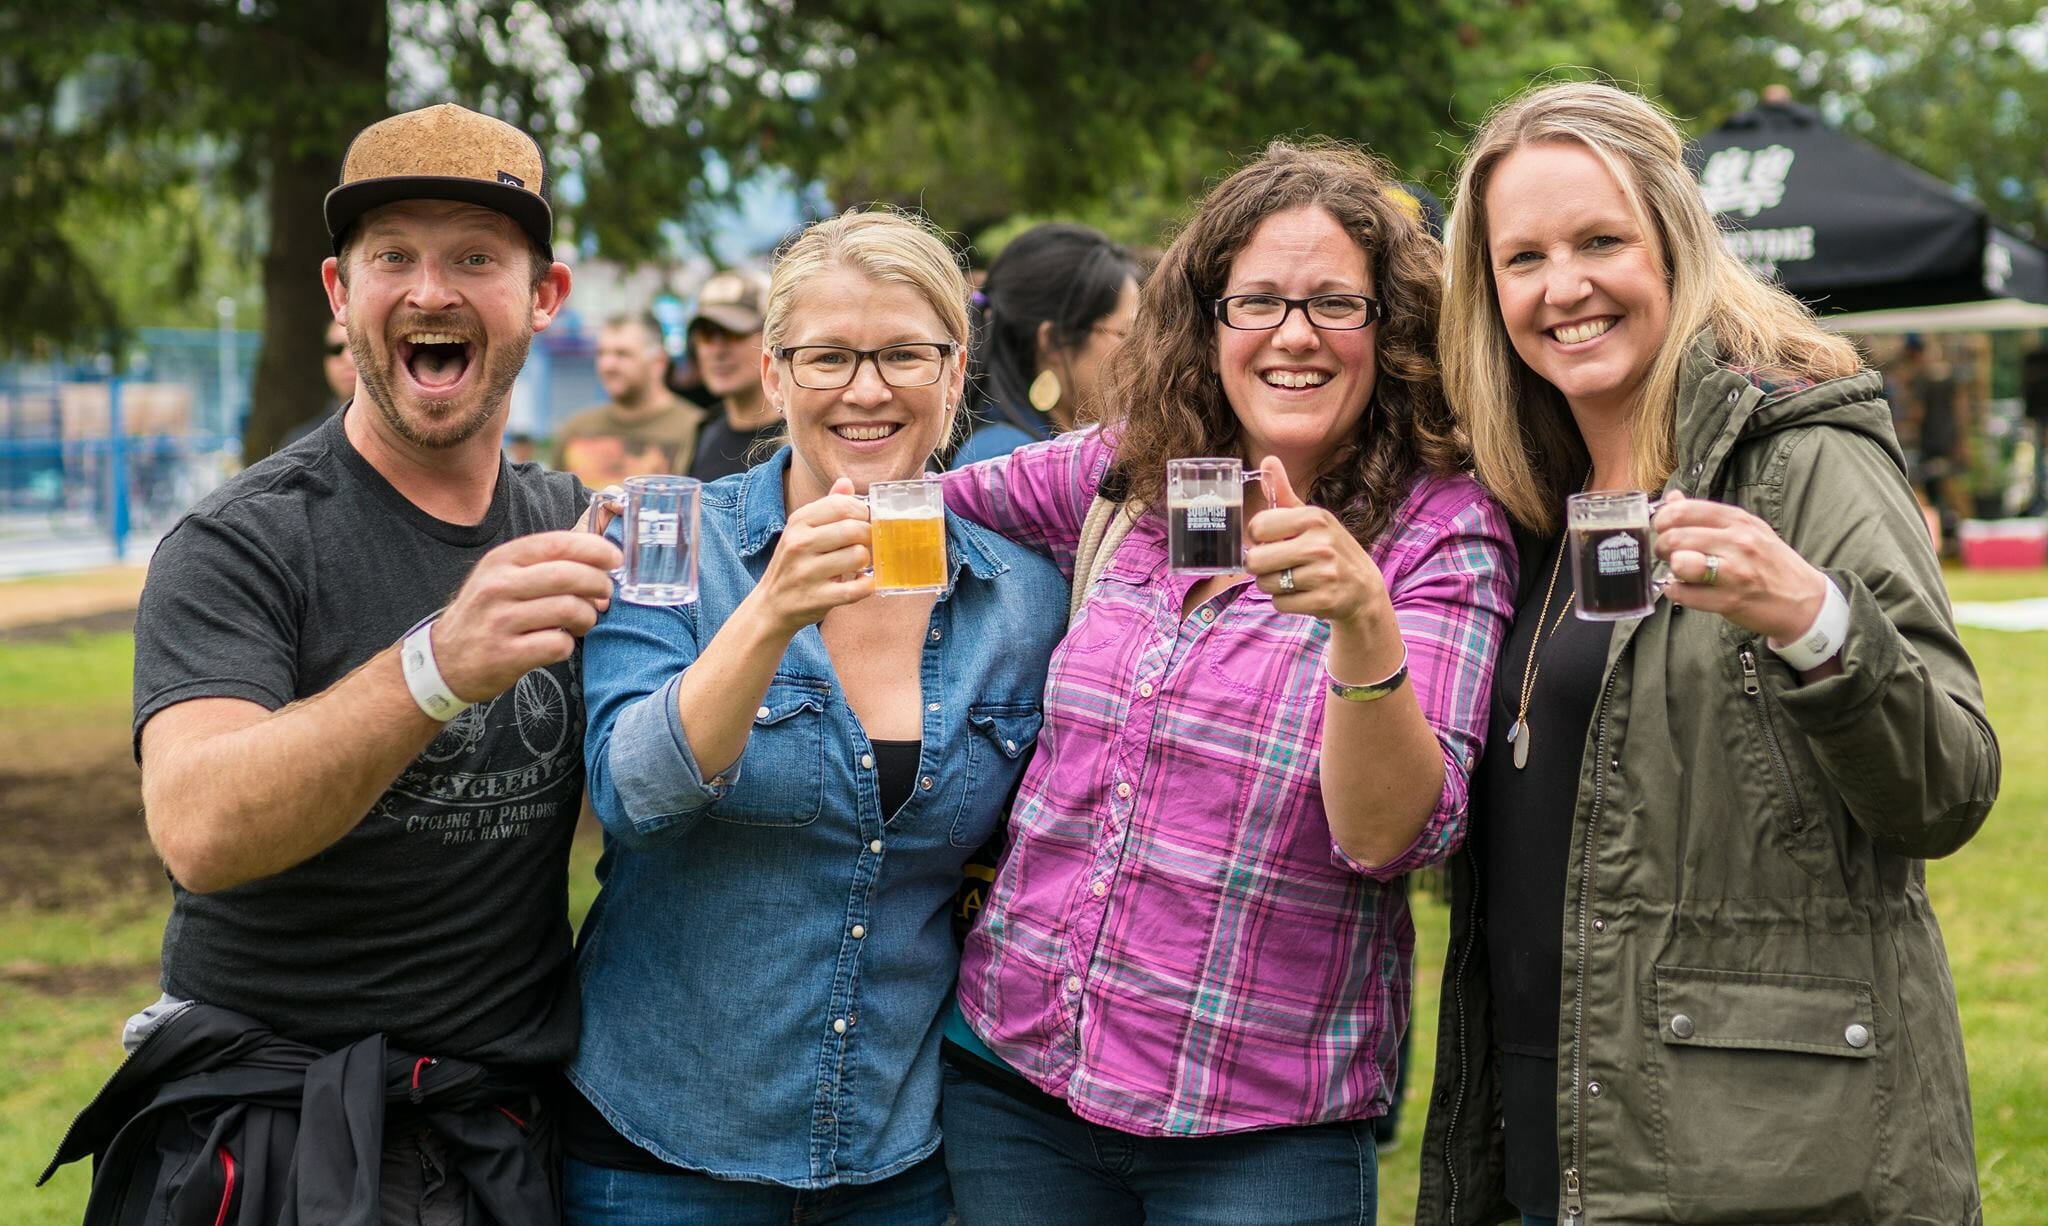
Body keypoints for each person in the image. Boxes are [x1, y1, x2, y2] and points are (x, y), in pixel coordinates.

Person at [1418, 81, 2000, 1226]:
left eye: (1599, 240)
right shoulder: (1516, 505)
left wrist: (1810, 617)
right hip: (1544, 1109)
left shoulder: (1803, 457)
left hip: (1769, 1148)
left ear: (1676, 243)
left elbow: (1945, 786)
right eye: (1521, 256)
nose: (1562, 286)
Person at [41, 102, 622, 1224]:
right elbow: (199, 826)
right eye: (391, 256)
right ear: (337, 292)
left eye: (474, 258)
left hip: (508, 1136)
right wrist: (437, 664)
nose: (430, 290)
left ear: (544, 298)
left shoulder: (571, 527)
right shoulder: (244, 540)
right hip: (277, 1137)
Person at [937, 141, 1514, 1225]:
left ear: (1387, 330)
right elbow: (938, 507)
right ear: (1207, 323)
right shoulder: (1130, 470)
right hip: (1014, 1086)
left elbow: (1391, 833)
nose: (1293, 334)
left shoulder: (1440, 531)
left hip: (1253, 1133)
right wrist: (695, 524)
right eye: (1255, 300)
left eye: (1334, 302)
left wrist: (1360, 621)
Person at [565, 209, 1068, 1224]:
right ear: (773, 371)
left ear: (955, 367)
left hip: (896, 1160)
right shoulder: (673, 548)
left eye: (901, 354)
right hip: (662, 1151)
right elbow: (633, 794)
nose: (866, 388)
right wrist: (771, 609)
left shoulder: (1020, 596)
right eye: (828, 355)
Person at [949, 223, 1141, 465]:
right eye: (1127, 335)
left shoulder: (1037, 444)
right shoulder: (1006, 462)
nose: (1142, 355)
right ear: (1053, 341)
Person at [553, 312, 704, 486]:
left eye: (622, 354)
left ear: (659, 362)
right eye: (602, 353)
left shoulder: (696, 429)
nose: (608, 365)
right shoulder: (576, 429)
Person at [684, 267, 779, 482]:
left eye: (733, 333)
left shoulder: (799, 437)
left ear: (772, 337)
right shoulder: (706, 429)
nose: (718, 350)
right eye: (706, 335)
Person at [277, 318, 360, 448]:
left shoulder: (401, 438)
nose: (347, 358)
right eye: (335, 349)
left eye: (358, 346)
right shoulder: (298, 444)